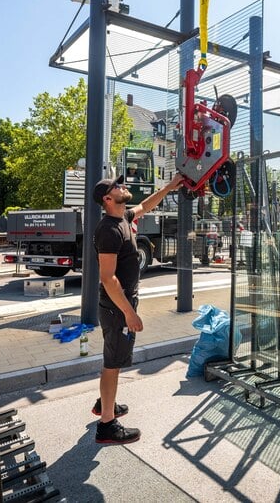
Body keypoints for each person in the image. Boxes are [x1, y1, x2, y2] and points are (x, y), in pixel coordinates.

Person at [91, 171, 183, 444]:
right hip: (117, 307)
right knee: (113, 362)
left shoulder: (124, 218)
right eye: (117, 186)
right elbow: (108, 278)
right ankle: (106, 424)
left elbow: (146, 205)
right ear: (108, 199)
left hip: (119, 305)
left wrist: (171, 185)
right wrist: (129, 313)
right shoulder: (108, 229)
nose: (123, 186)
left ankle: (104, 404)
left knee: (114, 359)